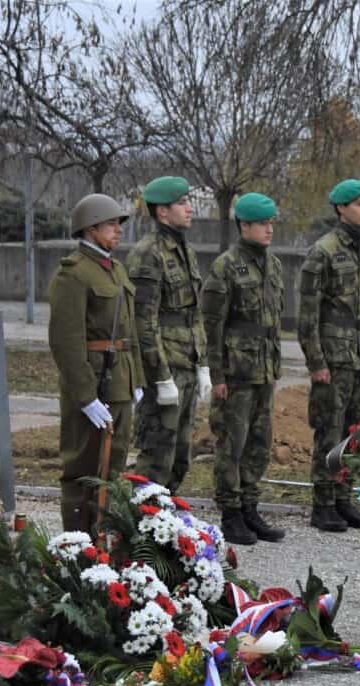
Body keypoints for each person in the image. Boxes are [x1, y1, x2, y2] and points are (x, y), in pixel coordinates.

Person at [47, 193, 145, 532]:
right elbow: (66, 341)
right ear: (90, 228)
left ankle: (105, 538)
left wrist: (137, 379)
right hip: (92, 384)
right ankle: (78, 544)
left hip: (120, 383)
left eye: (119, 224)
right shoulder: (73, 274)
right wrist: (85, 396)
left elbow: (129, 332)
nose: (119, 230)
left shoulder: (115, 270)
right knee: (82, 468)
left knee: (113, 467)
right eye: (111, 224)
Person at [200, 192, 287, 546]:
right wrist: (217, 375)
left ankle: (250, 507)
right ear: (244, 226)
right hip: (236, 373)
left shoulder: (273, 265)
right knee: (231, 445)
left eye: (271, 223)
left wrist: (274, 365)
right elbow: (212, 325)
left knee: (259, 444)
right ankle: (231, 513)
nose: (269, 229)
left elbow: (273, 322)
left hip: (263, 370)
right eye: (262, 223)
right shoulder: (226, 266)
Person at [297, 178, 360, 532]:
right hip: (333, 359)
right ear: (341, 208)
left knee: (355, 431)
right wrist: (316, 362)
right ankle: (323, 504)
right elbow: (307, 315)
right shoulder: (323, 252)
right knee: (329, 432)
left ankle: (344, 498)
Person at [127, 176, 211, 492]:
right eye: (182, 203)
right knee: (157, 454)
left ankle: (167, 515)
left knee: (180, 456)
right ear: (162, 211)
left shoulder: (184, 250)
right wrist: (160, 377)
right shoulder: (148, 253)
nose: (190, 208)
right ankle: (144, 516)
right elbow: (144, 322)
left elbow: (194, 313)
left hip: (186, 364)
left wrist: (202, 364)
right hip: (165, 369)